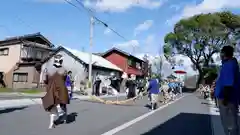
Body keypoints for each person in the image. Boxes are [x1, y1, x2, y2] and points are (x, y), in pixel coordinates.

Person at [215, 45, 240, 135]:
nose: (220, 54)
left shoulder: (229, 65)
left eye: (221, 52)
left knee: (229, 123)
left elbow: (228, 84)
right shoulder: (230, 64)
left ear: (224, 53)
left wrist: (225, 99)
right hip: (229, 98)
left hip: (226, 99)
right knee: (231, 122)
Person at [41, 54, 69, 129]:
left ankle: (51, 123)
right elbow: (65, 79)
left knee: (52, 105)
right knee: (63, 103)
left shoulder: (48, 69)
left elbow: (45, 80)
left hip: (51, 89)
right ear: (61, 61)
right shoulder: (64, 70)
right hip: (61, 90)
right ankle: (63, 115)